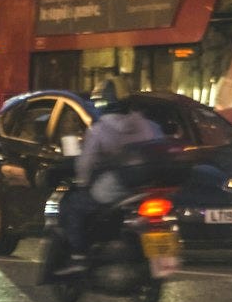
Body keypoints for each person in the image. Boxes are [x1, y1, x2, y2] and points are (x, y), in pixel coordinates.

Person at [57, 98, 161, 273]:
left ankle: (78, 256)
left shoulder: (100, 130)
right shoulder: (150, 126)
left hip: (116, 187)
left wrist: (82, 183)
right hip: (149, 186)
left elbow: (86, 162)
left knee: (74, 207)